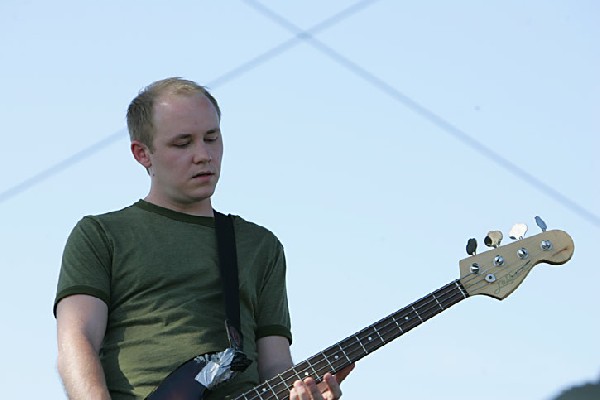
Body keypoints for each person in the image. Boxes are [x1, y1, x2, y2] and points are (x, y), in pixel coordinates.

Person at [54, 77, 353, 400]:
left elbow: (275, 365)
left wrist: (301, 394)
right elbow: (77, 342)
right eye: (183, 143)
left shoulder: (260, 245)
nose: (203, 155)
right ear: (142, 153)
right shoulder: (101, 235)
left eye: (211, 138)